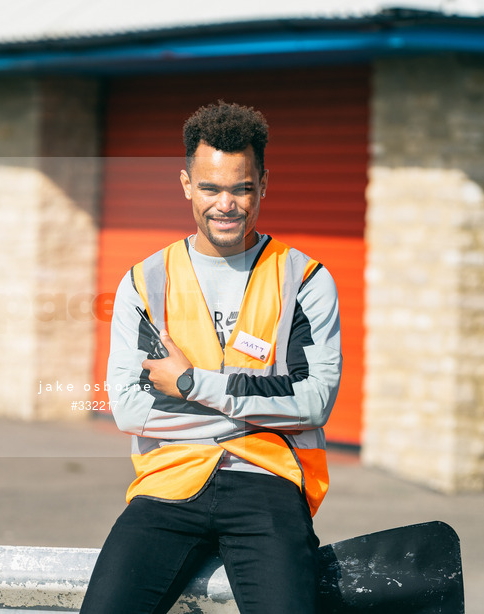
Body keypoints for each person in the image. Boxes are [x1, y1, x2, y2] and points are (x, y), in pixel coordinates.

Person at [80, 101, 342, 613]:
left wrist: (191, 384)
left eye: (242, 188)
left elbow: (313, 403)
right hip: (167, 484)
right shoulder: (145, 282)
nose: (226, 204)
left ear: (263, 184)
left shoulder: (305, 280)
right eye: (210, 188)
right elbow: (131, 410)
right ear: (185, 184)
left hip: (268, 487)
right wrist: (259, 416)